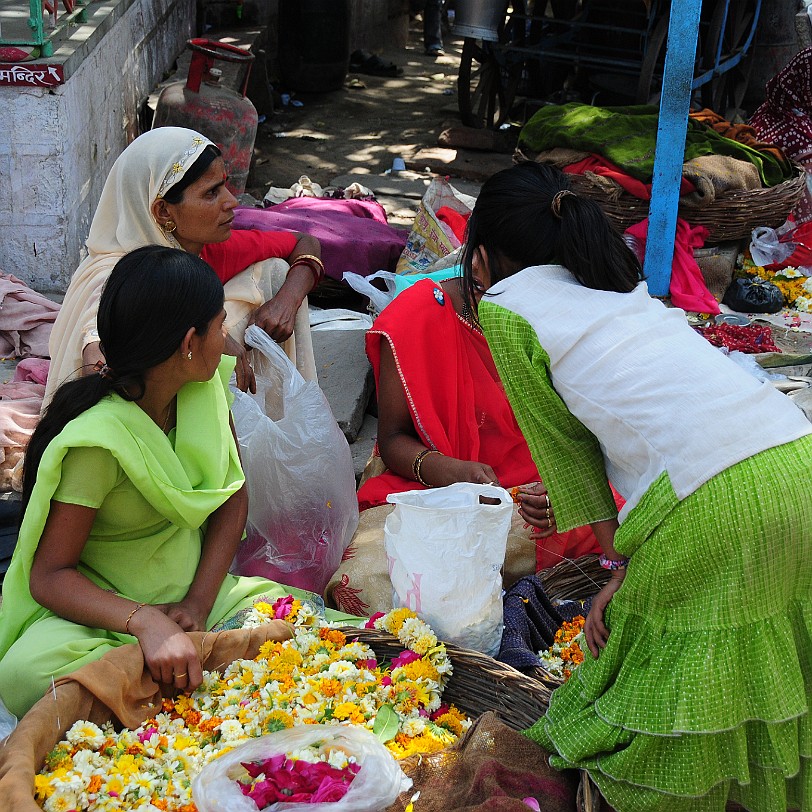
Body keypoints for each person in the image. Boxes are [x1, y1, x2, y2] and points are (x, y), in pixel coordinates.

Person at [459, 161, 812, 811]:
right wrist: (624, 572)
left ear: (481, 259)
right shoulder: (614, 285)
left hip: (717, 498)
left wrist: (613, 561)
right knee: (759, 660)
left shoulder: (510, 308)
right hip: (794, 459)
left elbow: (567, 459)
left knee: (651, 706)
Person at [0, 247, 356, 719]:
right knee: (30, 673)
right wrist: (144, 621)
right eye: (219, 325)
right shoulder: (96, 442)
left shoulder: (205, 390)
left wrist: (197, 603)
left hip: (201, 598)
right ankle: (179, 665)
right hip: (102, 619)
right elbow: (49, 576)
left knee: (320, 632)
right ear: (191, 342)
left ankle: (168, 672)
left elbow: (234, 501)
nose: (225, 337)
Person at [325, 272, 620, 617]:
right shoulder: (419, 315)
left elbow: (597, 437)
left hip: (537, 494)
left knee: (634, 527)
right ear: (479, 259)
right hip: (428, 486)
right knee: (360, 579)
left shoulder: (564, 315)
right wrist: (453, 472)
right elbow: (393, 440)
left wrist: (563, 492)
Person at [44, 126, 325, 408]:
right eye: (212, 193)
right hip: (148, 422)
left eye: (224, 185)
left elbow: (305, 242)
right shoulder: (118, 276)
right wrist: (218, 338)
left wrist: (287, 301)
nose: (231, 201)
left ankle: (282, 413)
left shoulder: (203, 245)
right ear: (163, 211)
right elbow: (96, 341)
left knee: (275, 270)